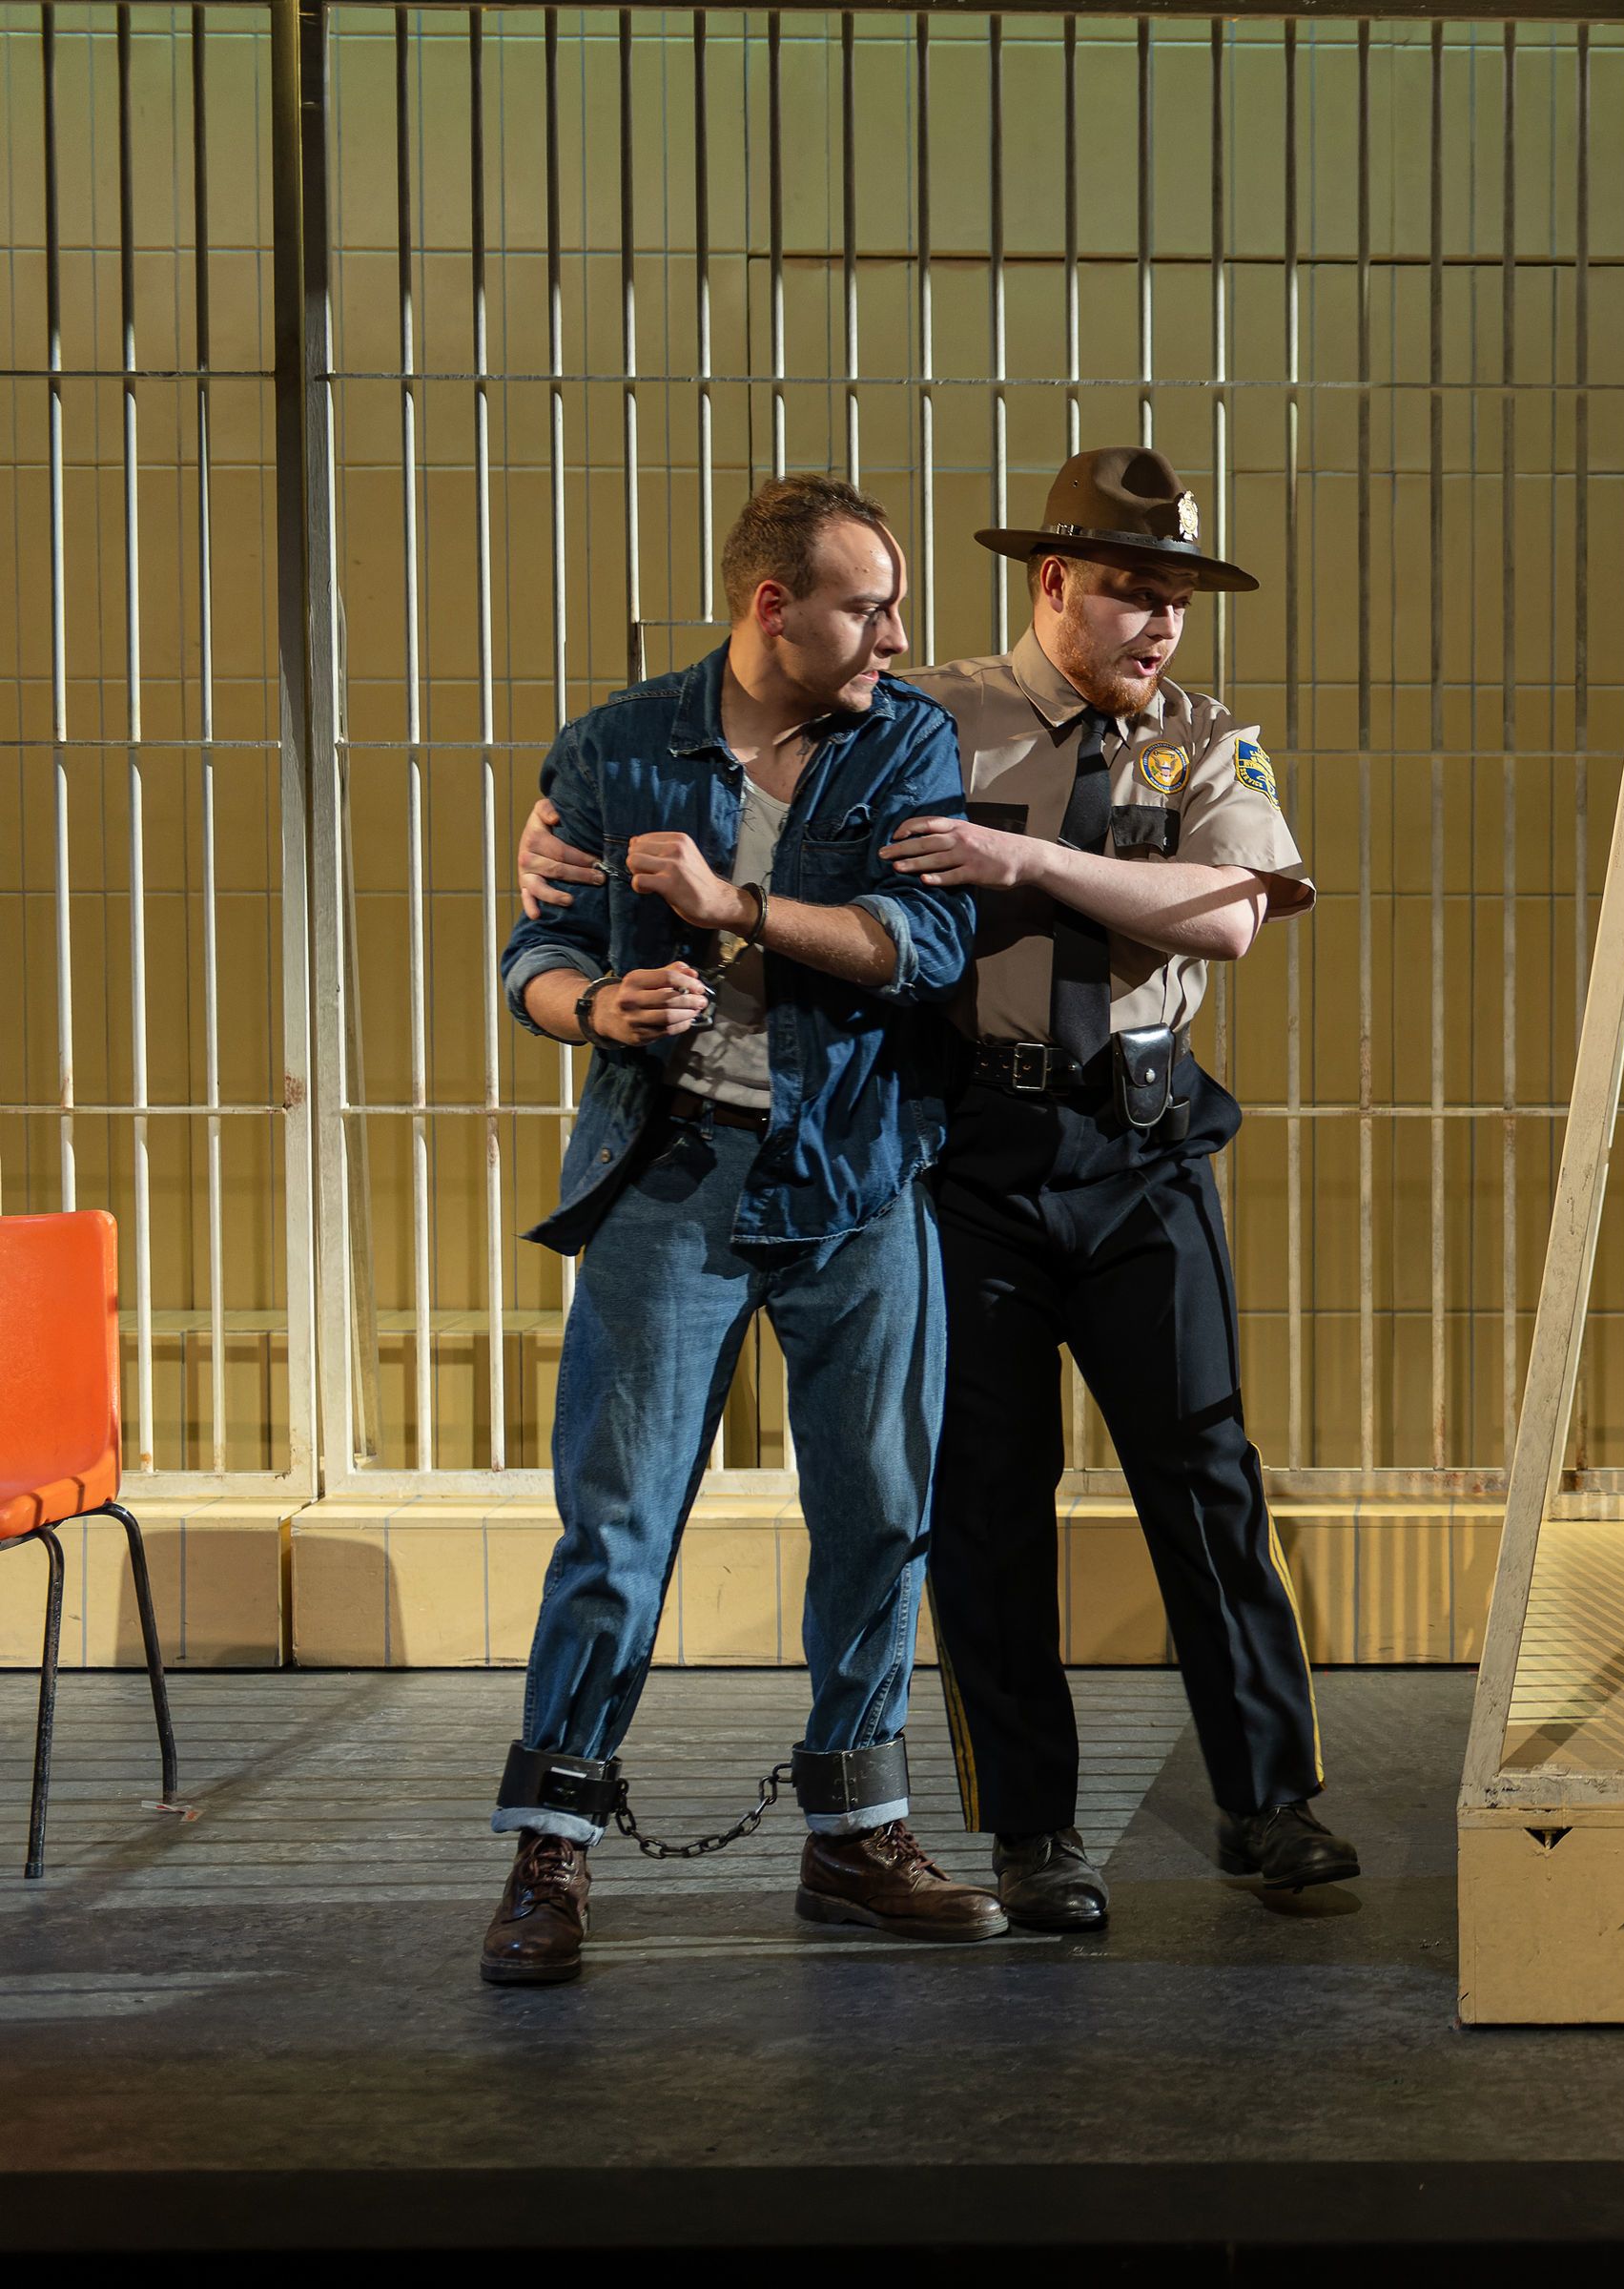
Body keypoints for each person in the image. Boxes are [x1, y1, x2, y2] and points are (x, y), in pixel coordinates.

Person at [520, 446, 1353, 1931]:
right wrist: (562, 870)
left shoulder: (1209, 745)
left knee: (1206, 1481)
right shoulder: (927, 715)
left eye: (1177, 602)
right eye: (1129, 594)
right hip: (965, 1147)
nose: (1158, 628)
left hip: (1136, 1147)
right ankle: (1032, 1833)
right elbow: (715, 800)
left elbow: (1226, 919)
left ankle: (1270, 1804)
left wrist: (1010, 861)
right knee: (976, 1506)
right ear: (1053, 584)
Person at [483, 474, 1001, 1987]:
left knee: (878, 1519)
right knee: (617, 1528)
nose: (895, 633)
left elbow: (925, 948)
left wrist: (736, 906)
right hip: (671, 1176)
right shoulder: (617, 743)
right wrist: (598, 1004)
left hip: (857, 1178)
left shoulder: (903, 737)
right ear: (774, 606)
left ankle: (856, 1835)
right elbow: (538, 952)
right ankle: (551, 1851)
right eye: (867, 605)